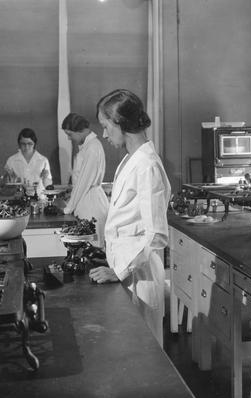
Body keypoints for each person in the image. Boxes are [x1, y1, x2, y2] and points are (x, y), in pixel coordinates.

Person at [88, 89, 171, 346]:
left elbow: (156, 235)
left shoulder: (148, 166)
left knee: (143, 356)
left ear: (120, 123)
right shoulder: (130, 160)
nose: (103, 134)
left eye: (105, 126)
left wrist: (118, 271)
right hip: (124, 271)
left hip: (139, 278)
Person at [55, 113, 109, 248]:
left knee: (93, 249)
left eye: (70, 134)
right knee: (85, 250)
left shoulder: (92, 148)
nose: (68, 138)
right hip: (87, 201)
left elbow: (83, 183)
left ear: (81, 131)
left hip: (92, 204)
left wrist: (68, 208)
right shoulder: (87, 146)